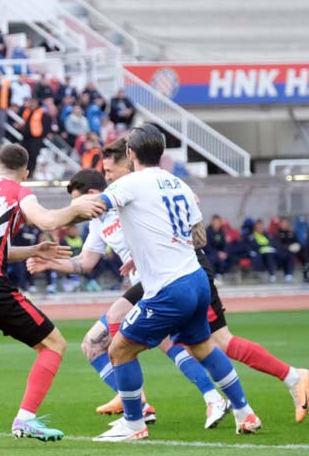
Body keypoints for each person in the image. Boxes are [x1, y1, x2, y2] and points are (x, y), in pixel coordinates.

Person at [91, 124, 262, 441]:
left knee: (119, 350)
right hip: (197, 278)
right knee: (203, 347)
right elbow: (200, 236)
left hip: (169, 287)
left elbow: (95, 205)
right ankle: (244, 410)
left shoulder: (131, 183)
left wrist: (49, 215)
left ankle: (134, 423)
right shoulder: (178, 183)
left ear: (130, 154)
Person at [29, 166, 230, 429]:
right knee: (92, 346)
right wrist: (51, 264)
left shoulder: (128, 201)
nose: (73, 208)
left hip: (159, 281)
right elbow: (86, 261)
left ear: (91, 194)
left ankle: (147, 405)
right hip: (144, 287)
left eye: (76, 202)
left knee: (129, 331)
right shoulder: (98, 222)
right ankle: (145, 403)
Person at [0, 143, 105, 449]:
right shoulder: (18, 191)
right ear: (26, 173)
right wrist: (76, 209)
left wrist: (34, 250)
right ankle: (25, 417)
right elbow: (46, 221)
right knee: (54, 344)